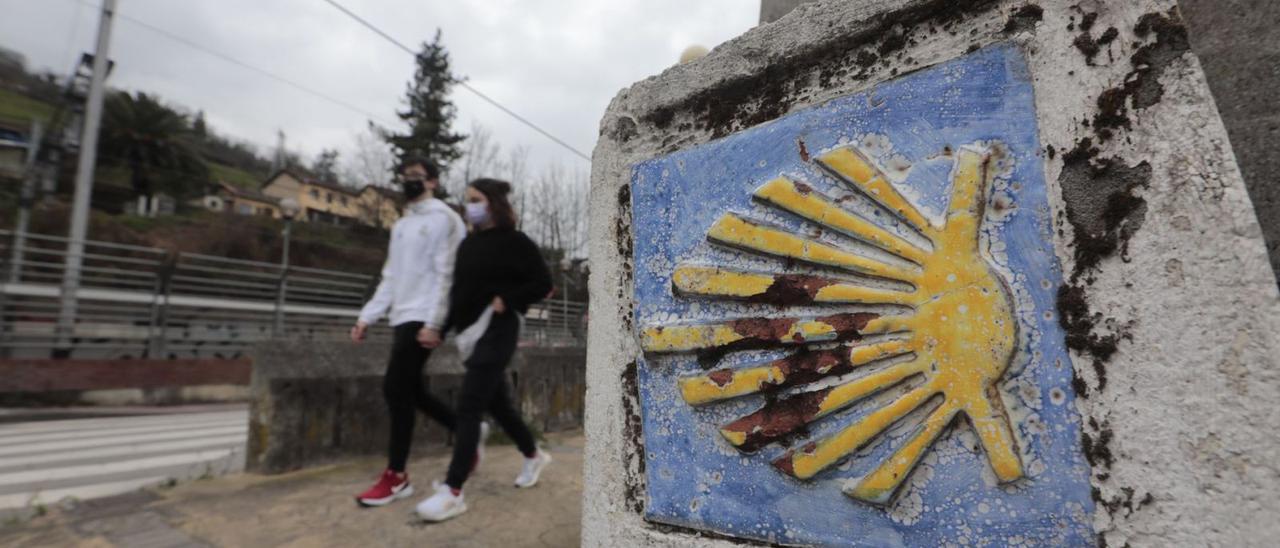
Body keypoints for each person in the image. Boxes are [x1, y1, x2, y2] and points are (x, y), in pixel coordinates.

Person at [415, 178, 554, 522]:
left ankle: (453, 490)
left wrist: (508, 299)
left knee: (469, 405)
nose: (469, 206)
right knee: (500, 407)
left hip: (499, 329)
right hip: (469, 335)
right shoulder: (468, 245)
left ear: (493, 203)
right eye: (467, 201)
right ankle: (533, 453)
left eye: (475, 199)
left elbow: (543, 283)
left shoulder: (516, 242)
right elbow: (458, 295)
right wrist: (439, 328)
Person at [351, 157, 473, 508]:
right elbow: (390, 276)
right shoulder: (402, 225)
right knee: (412, 390)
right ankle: (467, 431)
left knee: (395, 386)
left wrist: (436, 322)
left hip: (424, 314)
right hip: (401, 314)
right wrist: (367, 316)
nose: (409, 183)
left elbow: (449, 274)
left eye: (416, 177)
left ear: (433, 181)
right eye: (404, 177)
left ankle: (397, 476)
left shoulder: (446, 219)